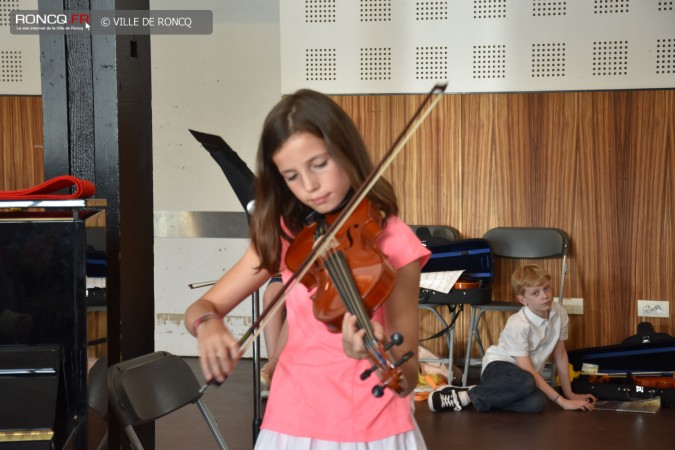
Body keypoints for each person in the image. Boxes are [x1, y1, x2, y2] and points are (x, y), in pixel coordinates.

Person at [185, 89, 431, 448]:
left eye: (319, 164)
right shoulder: (288, 236)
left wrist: (376, 356)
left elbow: (407, 376)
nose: (310, 187)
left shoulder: (395, 241)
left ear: (346, 151)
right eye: (291, 176)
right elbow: (202, 307)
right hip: (291, 423)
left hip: (374, 429)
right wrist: (208, 326)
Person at [428, 264, 596, 413]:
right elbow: (527, 370)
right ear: (523, 300)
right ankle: (465, 396)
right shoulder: (518, 324)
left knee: (536, 403)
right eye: (535, 293)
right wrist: (562, 402)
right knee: (526, 381)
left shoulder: (559, 312)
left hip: (523, 378)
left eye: (546, 288)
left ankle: (483, 392)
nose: (544, 296)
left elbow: (560, 354)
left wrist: (569, 393)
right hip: (499, 368)